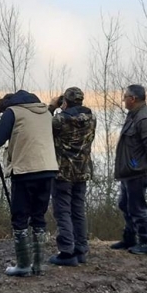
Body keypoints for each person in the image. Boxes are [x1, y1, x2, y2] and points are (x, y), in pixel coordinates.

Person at [0, 90, 59, 276]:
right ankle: (38, 265)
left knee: (20, 218)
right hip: (48, 169)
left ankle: (23, 266)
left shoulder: (12, 112)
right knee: (38, 216)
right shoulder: (45, 111)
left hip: (25, 170)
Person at [111, 84, 147, 255]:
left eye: (125, 96)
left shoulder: (144, 119)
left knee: (137, 207)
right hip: (130, 171)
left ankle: (146, 242)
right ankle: (129, 238)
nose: (123, 99)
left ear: (132, 99)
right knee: (124, 204)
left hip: (139, 171)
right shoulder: (134, 115)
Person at [47, 87, 96, 266]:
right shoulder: (92, 118)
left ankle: (67, 252)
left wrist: (52, 106)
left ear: (65, 102)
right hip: (83, 171)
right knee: (78, 210)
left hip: (63, 172)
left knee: (63, 211)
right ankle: (81, 250)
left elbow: (43, 124)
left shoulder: (60, 120)